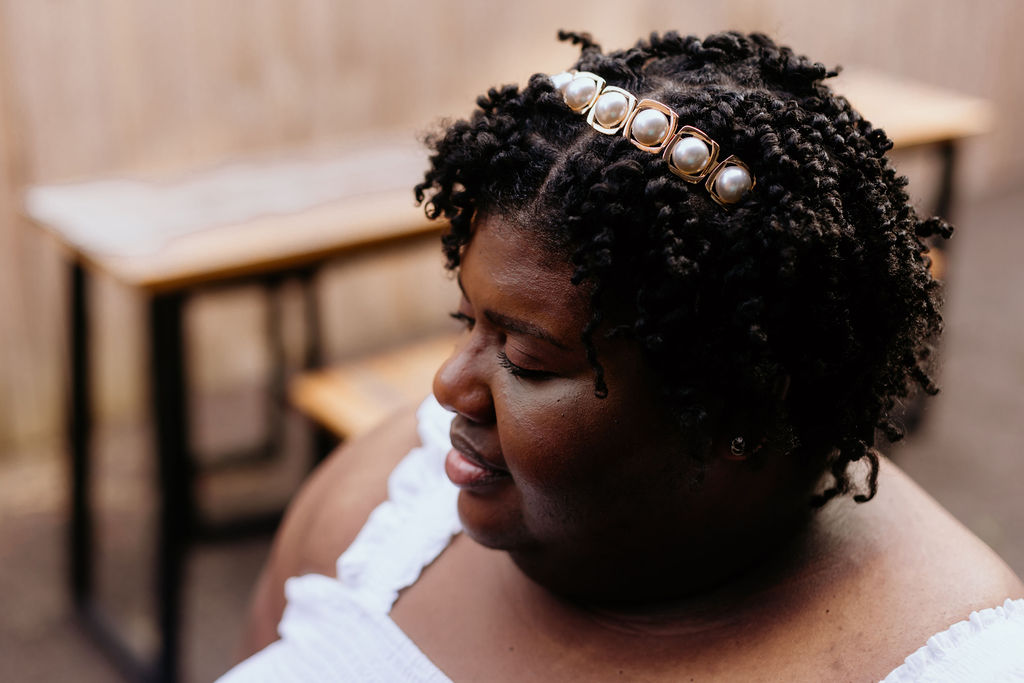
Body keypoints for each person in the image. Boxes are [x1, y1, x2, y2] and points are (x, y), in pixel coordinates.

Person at [220, 31, 1024, 681]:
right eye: (466, 322)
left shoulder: (957, 663)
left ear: (737, 411)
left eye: (528, 363)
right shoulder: (396, 495)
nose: (447, 386)